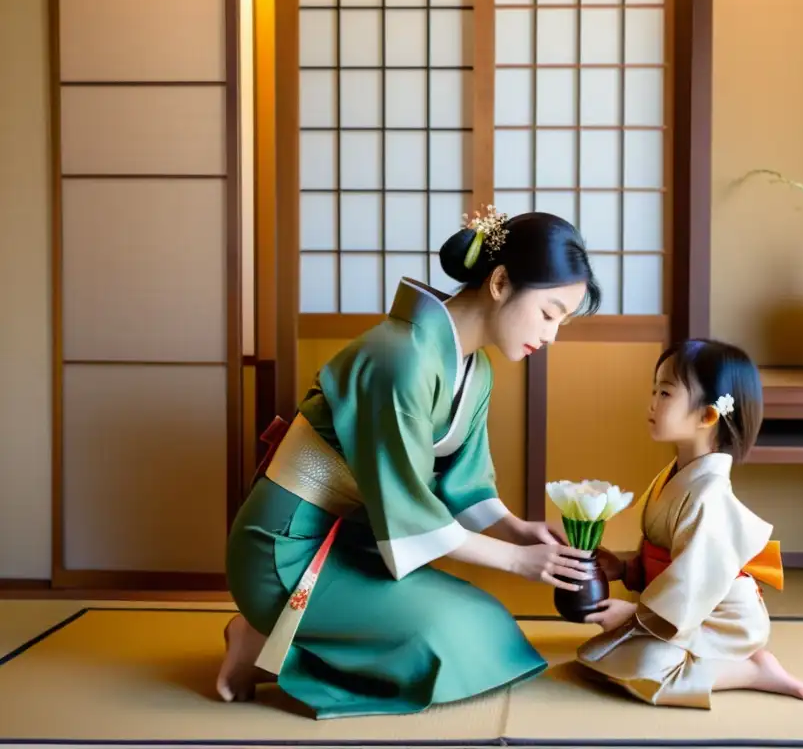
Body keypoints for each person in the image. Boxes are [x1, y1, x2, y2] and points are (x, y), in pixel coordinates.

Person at [216, 208, 602, 718]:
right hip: (286, 550)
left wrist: (516, 531)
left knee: (488, 626)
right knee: (447, 641)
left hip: (355, 541)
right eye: (549, 313)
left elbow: (463, 483)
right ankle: (267, 630)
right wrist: (514, 562)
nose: (551, 336)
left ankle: (274, 635)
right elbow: (409, 511)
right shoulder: (399, 358)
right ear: (501, 282)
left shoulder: (475, 369)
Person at [577, 339, 803, 708]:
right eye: (654, 390)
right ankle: (710, 660)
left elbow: (692, 580)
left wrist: (634, 618)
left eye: (666, 392)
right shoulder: (677, 476)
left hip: (719, 618)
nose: (652, 402)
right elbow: (667, 556)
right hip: (686, 612)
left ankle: (753, 671)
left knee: (645, 669)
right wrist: (624, 567)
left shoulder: (708, 495)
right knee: (599, 657)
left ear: (707, 416)